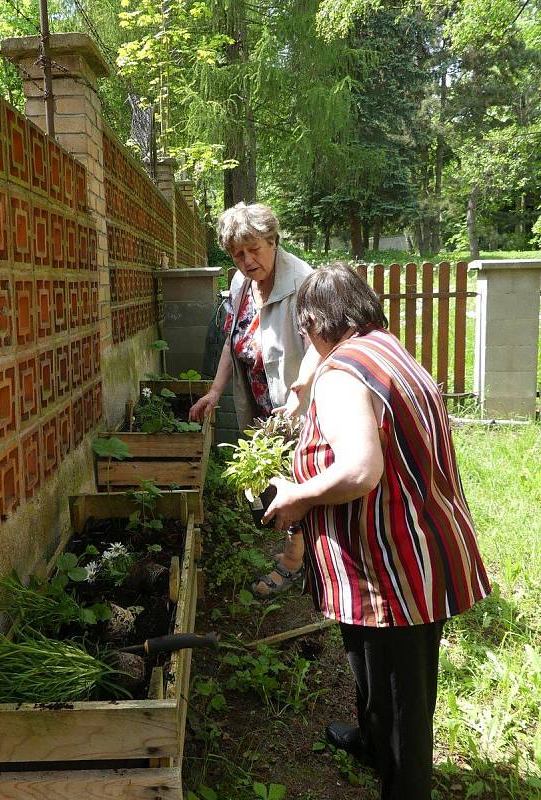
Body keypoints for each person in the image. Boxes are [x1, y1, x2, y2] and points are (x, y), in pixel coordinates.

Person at [263, 264, 490, 800]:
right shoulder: (389, 350)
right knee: (373, 668)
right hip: (414, 546)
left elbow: (361, 468)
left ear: (315, 321)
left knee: (402, 695)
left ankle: (404, 782)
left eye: (304, 332)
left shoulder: (343, 371)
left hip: (392, 566)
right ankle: (371, 741)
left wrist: (297, 496)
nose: (307, 343)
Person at [189, 202, 320, 596]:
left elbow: (321, 344)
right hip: (264, 406)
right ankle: (307, 552)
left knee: (302, 478)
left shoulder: (303, 283)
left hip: (302, 404)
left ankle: (295, 563)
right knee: (279, 477)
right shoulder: (240, 284)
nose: (246, 260)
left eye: (254, 250)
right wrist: (214, 390)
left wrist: (301, 389)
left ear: (273, 241)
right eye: (237, 253)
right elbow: (233, 341)